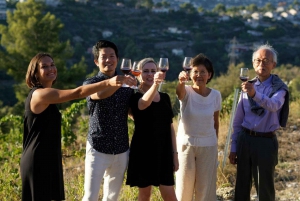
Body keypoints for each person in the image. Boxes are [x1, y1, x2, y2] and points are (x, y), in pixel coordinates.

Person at [21, 52, 130, 201]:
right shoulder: (39, 94)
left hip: (49, 156)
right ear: (35, 72)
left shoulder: (46, 95)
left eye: (52, 64)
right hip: (38, 158)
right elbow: (77, 92)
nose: (51, 68)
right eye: (44, 66)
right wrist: (109, 82)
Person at [229, 44, 289, 201]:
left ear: (273, 65)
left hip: (265, 142)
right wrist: (234, 146)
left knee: (265, 189)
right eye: (257, 60)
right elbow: (238, 120)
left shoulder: (279, 88)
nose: (261, 64)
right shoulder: (248, 86)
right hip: (245, 139)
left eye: (266, 60)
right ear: (253, 64)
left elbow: (273, 105)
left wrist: (254, 94)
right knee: (241, 186)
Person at [82, 40, 136, 201]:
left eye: (111, 56)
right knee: (90, 196)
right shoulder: (91, 83)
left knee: (112, 197)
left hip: (121, 148)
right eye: (103, 57)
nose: (108, 60)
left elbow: (132, 113)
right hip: (97, 147)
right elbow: (99, 95)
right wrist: (118, 83)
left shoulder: (127, 85)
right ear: (96, 61)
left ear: (117, 59)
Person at [126, 58, 178, 201]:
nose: (150, 74)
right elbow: (143, 104)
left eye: (153, 71)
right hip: (143, 152)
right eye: (146, 71)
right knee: (144, 196)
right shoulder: (134, 96)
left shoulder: (165, 97)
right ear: (138, 74)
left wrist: (175, 154)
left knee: (170, 195)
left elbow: (170, 127)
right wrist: (156, 84)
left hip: (164, 151)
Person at [175, 53, 221, 201]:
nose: (199, 75)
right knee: (184, 188)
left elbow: (215, 122)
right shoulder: (186, 91)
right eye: (195, 71)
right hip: (186, 145)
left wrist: (215, 144)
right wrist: (181, 82)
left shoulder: (216, 95)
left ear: (209, 75)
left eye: (203, 72)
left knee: (205, 189)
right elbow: (178, 93)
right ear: (190, 73)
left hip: (208, 146)